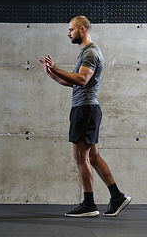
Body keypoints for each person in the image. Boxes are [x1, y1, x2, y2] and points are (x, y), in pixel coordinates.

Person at [39, 16, 131, 217]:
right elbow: (74, 82)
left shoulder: (90, 53)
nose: (68, 33)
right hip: (85, 108)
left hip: (85, 110)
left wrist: (56, 68)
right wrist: (52, 74)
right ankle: (117, 197)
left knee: (81, 157)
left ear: (82, 29)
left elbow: (81, 80)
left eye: (71, 29)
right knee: (93, 156)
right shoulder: (85, 53)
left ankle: (89, 204)